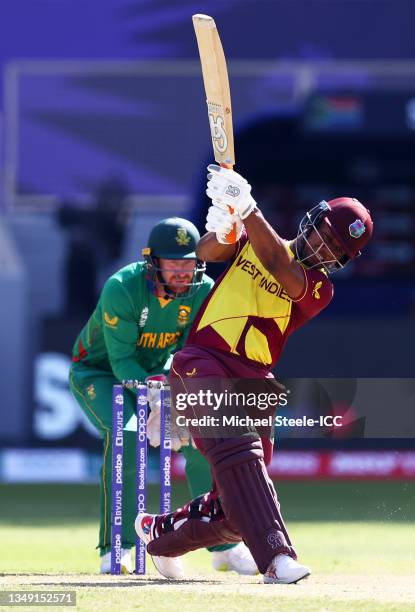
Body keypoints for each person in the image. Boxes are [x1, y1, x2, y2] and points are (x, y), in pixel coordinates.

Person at [135, 166, 374, 584]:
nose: (326, 248)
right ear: (312, 220)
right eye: (327, 235)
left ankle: (158, 535)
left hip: (254, 381)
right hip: (202, 361)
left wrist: (246, 208)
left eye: (338, 250)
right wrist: (226, 228)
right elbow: (206, 254)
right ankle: (277, 558)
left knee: (233, 511)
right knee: (239, 452)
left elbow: (278, 265)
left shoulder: (318, 288)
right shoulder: (254, 239)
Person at [69, 216, 256, 576]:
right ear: (152, 261)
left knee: (202, 439)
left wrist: (171, 392)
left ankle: (223, 545)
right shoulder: (122, 288)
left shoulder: (203, 290)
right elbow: (121, 360)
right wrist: (155, 397)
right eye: (173, 263)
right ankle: (117, 548)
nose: (183, 272)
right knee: (126, 434)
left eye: (189, 262)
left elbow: (194, 353)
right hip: (99, 372)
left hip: (163, 377)